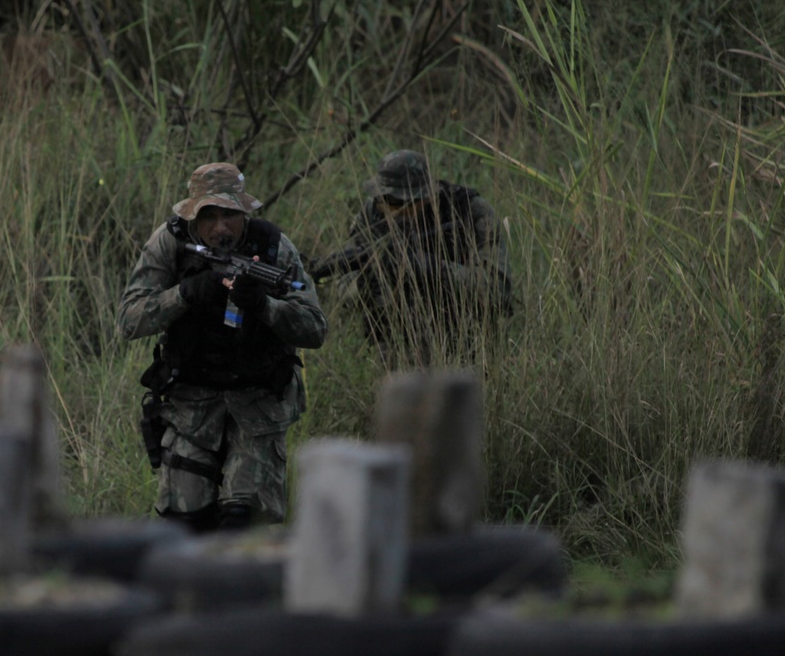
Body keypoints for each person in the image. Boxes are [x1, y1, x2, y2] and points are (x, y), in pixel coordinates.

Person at [118, 162, 327, 532]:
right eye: (209, 216)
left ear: (244, 212)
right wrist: (184, 294)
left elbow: (314, 329)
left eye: (229, 215)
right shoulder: (170, 244)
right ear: (192, 217)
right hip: (192, 408)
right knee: (183, 526)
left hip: (259, 406)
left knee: (246, 525)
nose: (220, 227)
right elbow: (129, 321)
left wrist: (264, 306)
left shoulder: (273, 247)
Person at [313, 149, 512, 365]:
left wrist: (431, 268)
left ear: (426, 196)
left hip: (465, 343)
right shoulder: (371, 214)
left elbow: (497, 288)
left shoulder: (469, 211)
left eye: (401, 203)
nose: (392, 211)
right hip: (394, 344)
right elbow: (344, 289)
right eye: (385, 200)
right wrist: (369, 282)